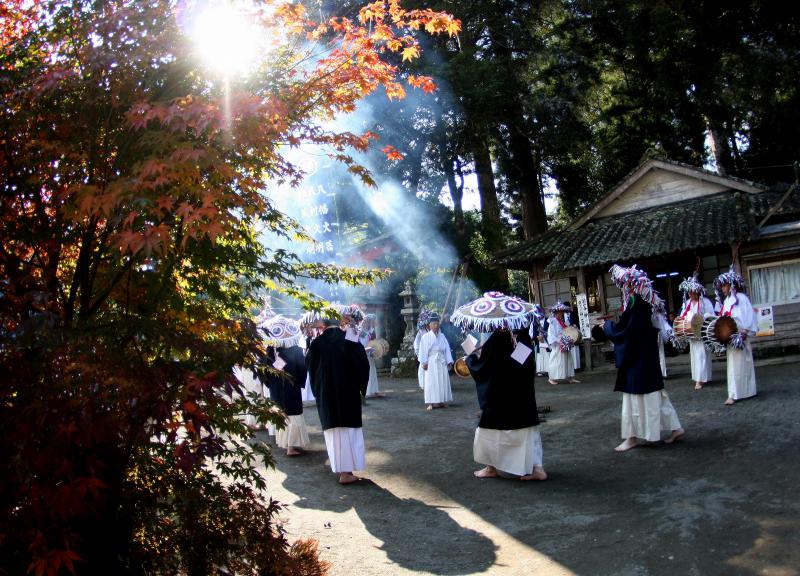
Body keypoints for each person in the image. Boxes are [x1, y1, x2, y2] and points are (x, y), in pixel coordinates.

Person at [604, 264, 684, 452]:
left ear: (633, 285)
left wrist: (608, 328)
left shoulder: (639, 305)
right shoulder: (639, 303)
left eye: (626, 284)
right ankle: (676, 428)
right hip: (644, 358)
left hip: (638, 359)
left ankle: (632, 437)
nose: (624, 287)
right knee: (656, 395)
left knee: (636, 398)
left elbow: (629, 333)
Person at [466, 329, 547, 481]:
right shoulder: (523, 338)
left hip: (500, 397)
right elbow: (519, 366)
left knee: (487, 433)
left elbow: (484, 367)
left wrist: (471, 357)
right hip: (521, 398)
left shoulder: (498, 337)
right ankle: (537, 468)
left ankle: (491, 467)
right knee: (528, 435)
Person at [306, 316, 371, 484]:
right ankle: (347, 472)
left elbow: (311, 370)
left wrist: (317, 391)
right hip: (348, 391)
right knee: (350, 430)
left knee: (334, 432)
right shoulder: (349, 338)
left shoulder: (316, 344)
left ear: (323, 325)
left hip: (327, 394)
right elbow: (363, 363)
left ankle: (343, 471)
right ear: (339, 323)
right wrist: (360, 386)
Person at [714, 268, 758, 405]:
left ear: (731, 284)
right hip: (730, 337)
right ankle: (734, 393)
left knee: (744, 364)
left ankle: (748, 391)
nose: (722, 288)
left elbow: (749, 316)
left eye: (724, 285)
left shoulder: (742, 299)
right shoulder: (726, 301)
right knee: (733, 366)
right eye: (721, 286)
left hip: (740, 336)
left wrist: (745, 332)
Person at [264, 340, 309, 456]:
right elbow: (302, 368)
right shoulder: (295, 349)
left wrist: (270, 383)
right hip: (291, 386)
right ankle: (291, 446)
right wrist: (299, 382)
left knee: (282, 414)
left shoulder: (270, 349)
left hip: (276, 387)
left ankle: (286, 443)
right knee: (293, 415)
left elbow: (264, 371)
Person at [677, 273, 714, 390]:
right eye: (689, 291)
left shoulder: (705, 302)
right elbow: (683, 316)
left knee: (702, 355)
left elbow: (711, 315)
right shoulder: (687, 303)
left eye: (692, 291)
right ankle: (699, 377)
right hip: (691, 333)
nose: (690, 293)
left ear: (697, 291)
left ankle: (701, 379)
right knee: (695, 356)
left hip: (701, 332)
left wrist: (702, 319)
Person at [418, 312, 454, 410]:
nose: (436, 325)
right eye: (433, 324)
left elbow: (446, 348)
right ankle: (430, 402)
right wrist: (424, 362)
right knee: (431, 382)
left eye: (437, 323)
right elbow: (423, 350)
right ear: (429, 325)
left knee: (442, 380)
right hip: (431, 362)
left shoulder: (442, 336)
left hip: (441, 361)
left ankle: (441, 401)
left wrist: (449, 360)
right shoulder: (426, 337)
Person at [546, 301, 580, 385]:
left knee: (568, 360)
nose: (562, 313)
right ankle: (551, 378)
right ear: (557, 312)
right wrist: (558, 341)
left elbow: (565, 330)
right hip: (557, 344)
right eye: (561, 312)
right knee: (555, 360)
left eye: (562, 312)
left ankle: (571, 377)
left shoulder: (561, 321)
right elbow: (551, 334)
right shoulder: (552, 321)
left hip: (564, 342)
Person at [359, 314, 385, 398]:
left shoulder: (369, 331)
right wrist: (370, 349)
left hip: (368, 354)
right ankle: (368, 391)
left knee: (372, 372)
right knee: (368, 372)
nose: (375, 322)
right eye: (373, 321)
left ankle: (374, 391)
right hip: (364, 354)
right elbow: (363, 344)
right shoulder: (362, 331)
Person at [413, 309, 431, 391]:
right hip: (423, 352)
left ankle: (432, 383)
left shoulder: (435, 330)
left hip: (432, 353)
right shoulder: (421, 331)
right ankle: (423, 384)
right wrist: (418, 352)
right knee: (423, 369)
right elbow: (416, 343)